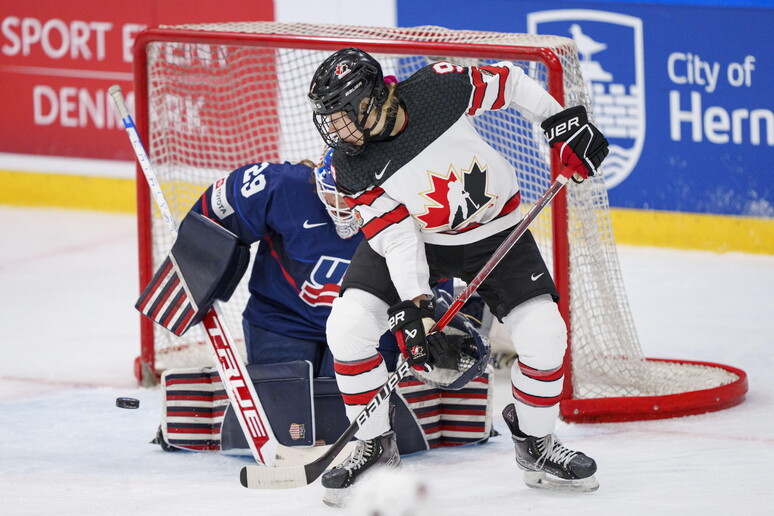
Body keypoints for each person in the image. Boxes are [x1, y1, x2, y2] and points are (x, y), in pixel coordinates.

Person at [307, 47, 609, 501]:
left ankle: (537, 444)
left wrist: (560, 123)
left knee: (546, 334)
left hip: (494, 230)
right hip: (416, 238)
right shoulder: (351, 166)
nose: (335, 129)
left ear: (369, 99)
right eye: (327, 119)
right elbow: (398, 236)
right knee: (347, 326)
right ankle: (374, 446)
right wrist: (418, 305)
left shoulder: (437, 87)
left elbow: (508, 80)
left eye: (341, 115)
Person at [147, 153, 493, 457]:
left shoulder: (403, 217)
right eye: (331, 193)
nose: (341, 206)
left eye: (351, 198)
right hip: (281, 318)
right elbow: (217, 208)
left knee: (356, 416)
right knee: (283, 415)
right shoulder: (282, 187)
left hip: (371, 327)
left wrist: (430, 329)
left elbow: (426, 286)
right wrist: (196, 263)